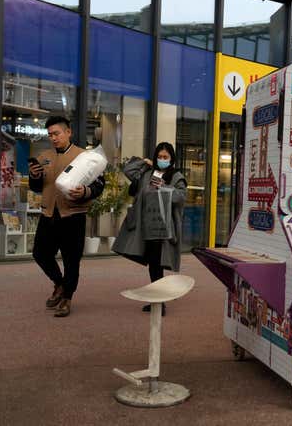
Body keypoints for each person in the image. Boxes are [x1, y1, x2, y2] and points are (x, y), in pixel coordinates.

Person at [29, 116, 105, 318]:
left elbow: (99, 185)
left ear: (68, 132)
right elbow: (36, 188)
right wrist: (34, 176)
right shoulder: (44, 156)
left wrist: (86, 192)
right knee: (40, 253)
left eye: (57, 133)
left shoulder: (85, 157)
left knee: (72, 260)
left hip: (73, 215)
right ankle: (60, 284)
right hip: (48, 214)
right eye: (50, 135)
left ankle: (67, 298)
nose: (53, 138)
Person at [112, 142, 187, 315]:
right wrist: (144, 162)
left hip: (164, 229)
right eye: (159, 157)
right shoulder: (147, 173)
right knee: (153, 264)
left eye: (165, 157)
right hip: (146, 226)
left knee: (157, 263)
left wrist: (165, 187)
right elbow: (128, 171)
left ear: (171, 159)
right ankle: (157, 300)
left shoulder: (176, 176)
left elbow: (181, 197)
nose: (162, 160)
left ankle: (159, 302)